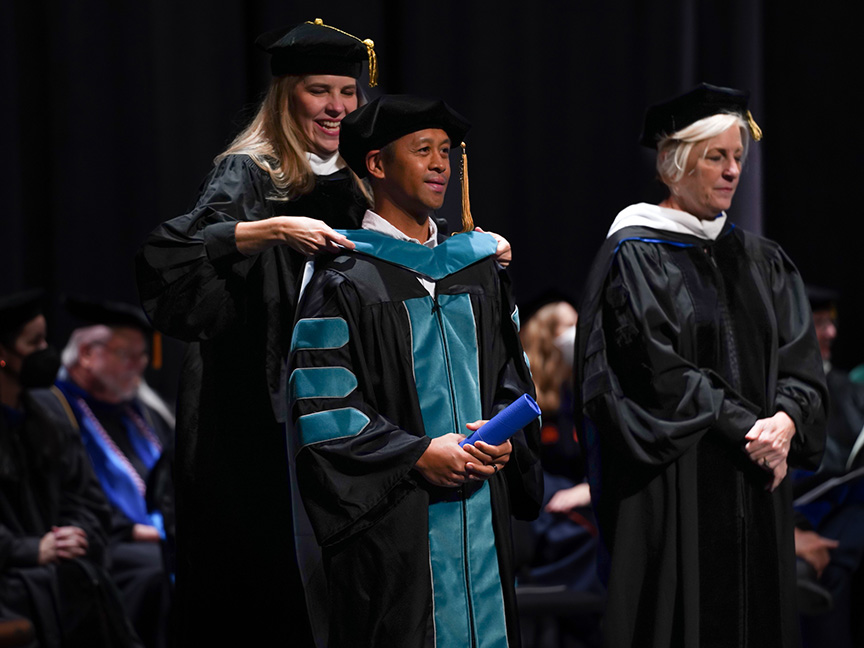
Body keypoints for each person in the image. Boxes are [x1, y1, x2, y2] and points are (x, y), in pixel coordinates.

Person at [575, 83, 828, 647]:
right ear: (674, 166)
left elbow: (802, 363)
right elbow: (657, 374)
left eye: (738, 157)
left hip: (760, 486)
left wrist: (785, 421)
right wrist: (753, 429)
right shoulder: (637, 255)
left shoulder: (764, 260)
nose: (733, 171)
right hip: (677, 490)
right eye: (717, 157)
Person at [288, 94, 542, 647]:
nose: (440, 165)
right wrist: (417, 454)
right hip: (395, 527)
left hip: (482, 511)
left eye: (446, 152)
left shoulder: (478, 271)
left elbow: (512, 375)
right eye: (423, 149)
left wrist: (502, 436)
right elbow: (326, 409)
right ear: (377, 164)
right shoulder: (344, 277)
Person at [0, 291, 142, 648]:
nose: (46, 350)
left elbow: (86, 497)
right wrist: (30, 549)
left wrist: (76, 533)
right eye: (34, 342)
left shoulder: (48, 415)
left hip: (61, 567)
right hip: (12, 574)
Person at [49, 296, 172, 648]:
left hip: (157, 536)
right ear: (87, 354)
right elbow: (63, 495)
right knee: (157, 570)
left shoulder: (143, 411)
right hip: (102, 542)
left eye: (142, 356)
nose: (138, 366)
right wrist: (147, 533)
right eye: (126, 355)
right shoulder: (55, 410)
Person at [792, 287, 864, 647]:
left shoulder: (848, 389)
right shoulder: (767, 390)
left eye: (831, 323)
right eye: (819, 323)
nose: (832, 333)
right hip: (790, 514)